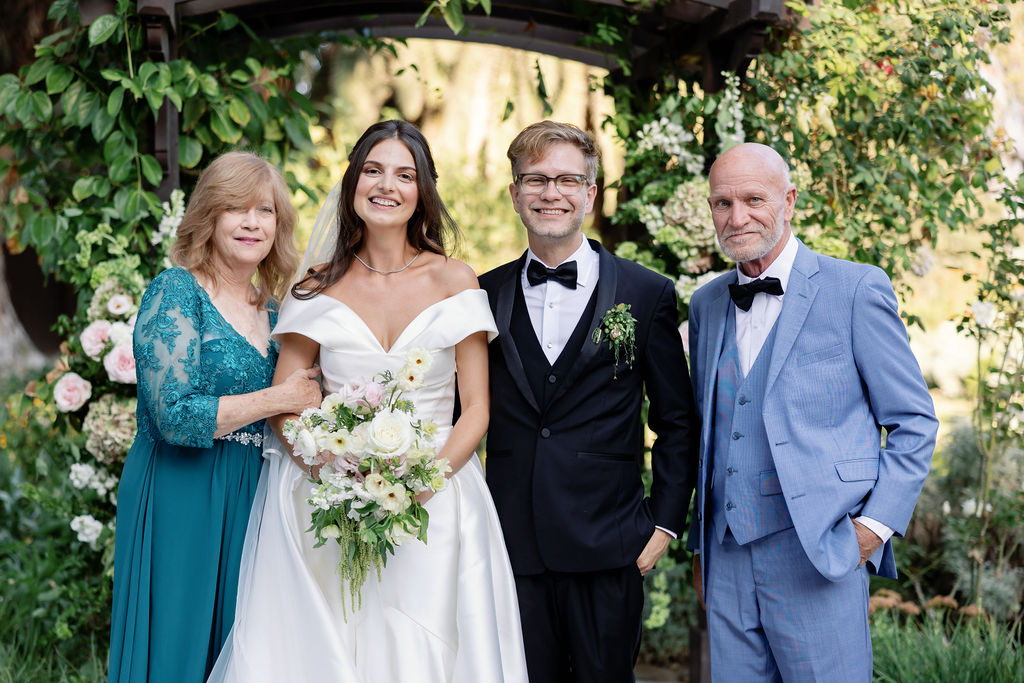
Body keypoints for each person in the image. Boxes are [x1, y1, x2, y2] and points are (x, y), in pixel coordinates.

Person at [209, 120, 529, 682]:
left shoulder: (456, 280)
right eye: (374, 171)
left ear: (422, 191)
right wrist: (334, 479)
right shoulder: (315, 285)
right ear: (353, 182)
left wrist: (419, 488)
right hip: (330, 502)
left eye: (405, 175)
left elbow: (476, 407)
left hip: (439, 499)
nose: (388, 185)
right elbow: (289, 404)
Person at [686, 143, 938, 681]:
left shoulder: (854, 289)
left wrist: (871, 529)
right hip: (726, 558)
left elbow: (914, 422)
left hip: (819, 549)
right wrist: (701, 545)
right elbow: (712, 430)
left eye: (754, 199)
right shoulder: (707, 304)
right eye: (722, 203)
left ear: (790, 200)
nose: (737, 217)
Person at [478, 120, 699, 683]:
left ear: (590, 194)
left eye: (567, 180)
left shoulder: (646, 293)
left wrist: (664, 525)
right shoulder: (481, 293)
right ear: (514, 194)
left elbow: (676, 419)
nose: (551, 193)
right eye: (535, 180)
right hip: (510, 545)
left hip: (611, 545)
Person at [107, 152, 323, 682]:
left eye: (266, 211)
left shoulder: (275, 312)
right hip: (181, 488)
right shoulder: (177, 291)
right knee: (177, 643)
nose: (253, 223)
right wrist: (278, 399)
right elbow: (173, 416)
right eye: (236, 209)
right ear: (209, 216)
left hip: (253, 491)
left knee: (241, 644)